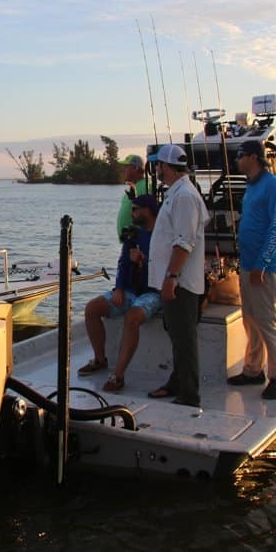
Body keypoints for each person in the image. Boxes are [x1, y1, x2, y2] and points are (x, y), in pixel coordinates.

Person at [146, 144, 210, 407]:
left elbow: (184, 242)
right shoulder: (178, 192)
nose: (156, 169)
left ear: (168, 167)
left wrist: (171, 277)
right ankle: (177, 382)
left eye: (158, 165)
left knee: (184, 338)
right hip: (174, 280)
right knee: (176, 335)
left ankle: (189, 395)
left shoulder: (184, 196)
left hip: (180, 282)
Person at [79, 194, 162, 392]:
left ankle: (118, 375)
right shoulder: (133, 235)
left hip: (153, 291)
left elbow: (164, 272)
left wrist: (144, 261)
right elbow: (123, 263)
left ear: (148, 211)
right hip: (131, 289)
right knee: (92, 308)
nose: (132, 213)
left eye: (136, 209)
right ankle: (100, 358)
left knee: (132, 318)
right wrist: (119, 287)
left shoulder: (162, 236)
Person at [229, 139, 276, 400]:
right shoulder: (251, 186)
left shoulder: (272, 185)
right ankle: (254, 370)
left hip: (264, 269)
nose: (237, 160)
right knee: (250, 320)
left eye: (240, 155)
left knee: (268, 322)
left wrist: (261, 264)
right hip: (247, 266)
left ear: (254, 157)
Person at [116, 154, 148, 242]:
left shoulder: (145, 186)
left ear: (136, 168)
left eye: (126, 167)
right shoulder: (133, 187)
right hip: (128, 241)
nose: (123, 170)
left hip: (137, 242)